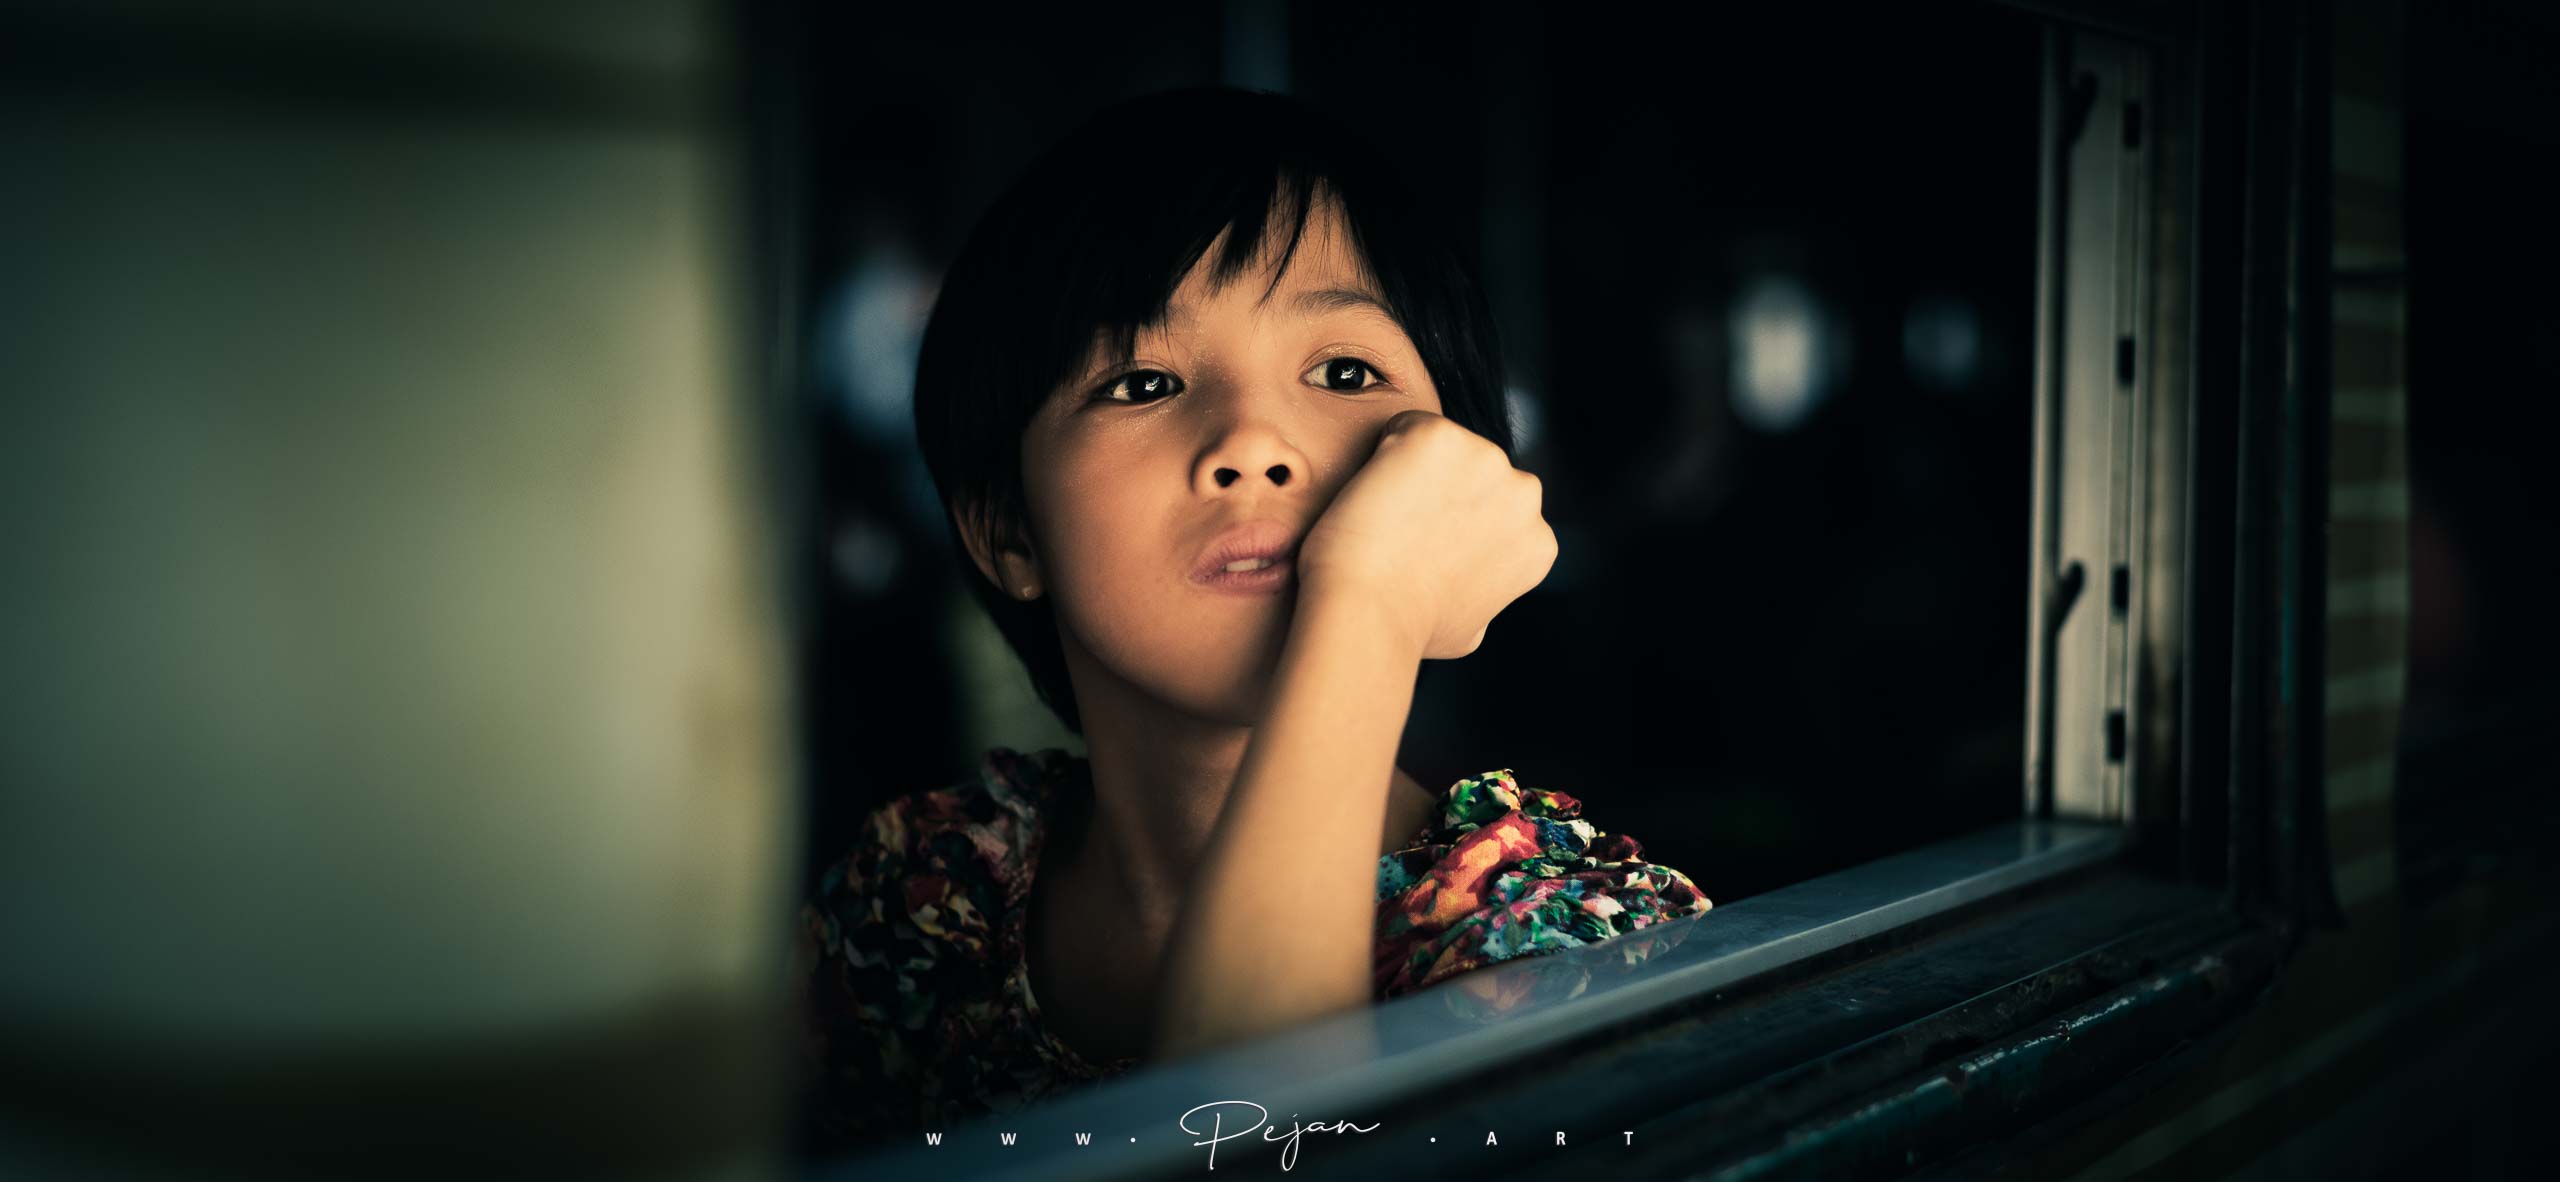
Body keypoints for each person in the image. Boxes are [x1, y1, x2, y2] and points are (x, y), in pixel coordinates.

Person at [794, 85, 1712, 1152]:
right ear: (1008, 531)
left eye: (1342, 371)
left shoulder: (1568, 939)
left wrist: (1367, 600)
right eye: (1141, 382)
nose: (1253, 440)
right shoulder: (919, 900)